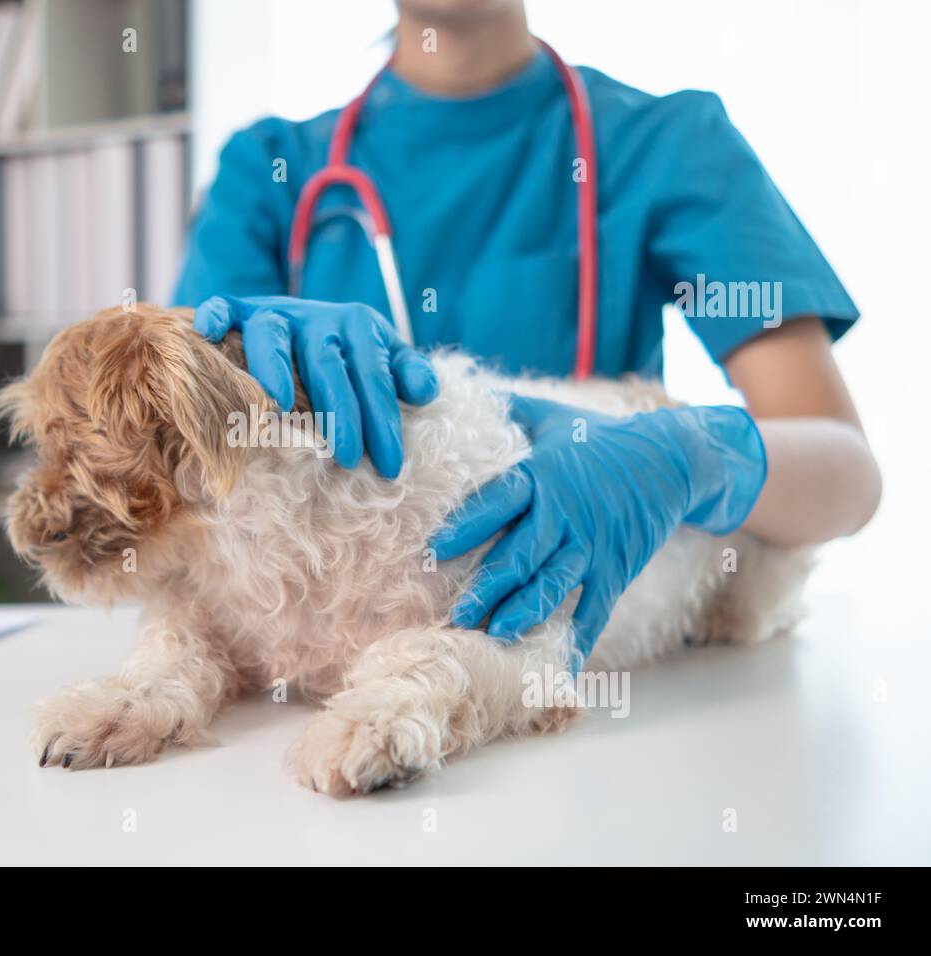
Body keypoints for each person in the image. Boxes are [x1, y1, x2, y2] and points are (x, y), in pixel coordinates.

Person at [171, 0, 881, 660]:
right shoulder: (266, 174)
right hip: (324, 661)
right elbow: (175, 477)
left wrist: (692, 456)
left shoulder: (668, 147)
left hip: (564, 659)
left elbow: (846, 474)